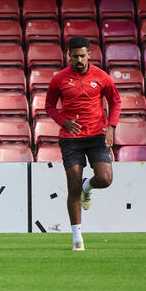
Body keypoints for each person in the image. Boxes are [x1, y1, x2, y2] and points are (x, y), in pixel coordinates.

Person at [44, 35, 121, 251]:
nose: (79, 59)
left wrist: (111, 127)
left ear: (89, 54)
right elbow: (49, 106)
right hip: (71, 139)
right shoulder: (59, 79)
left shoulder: (101, 77)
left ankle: (90, 185)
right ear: (69, 55)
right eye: (75, 55)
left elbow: (115, 101)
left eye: (82, 55)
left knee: (105, 179)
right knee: (73, 187)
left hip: (97, 135)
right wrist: (63, 122)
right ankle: (77, 238)